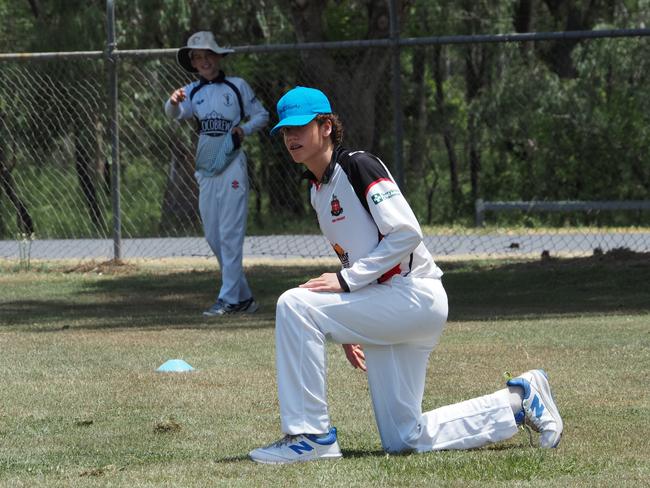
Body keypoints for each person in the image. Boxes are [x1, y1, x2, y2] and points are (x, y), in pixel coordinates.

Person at [248, 86, 563, 464]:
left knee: (294, 304)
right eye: (285, 131)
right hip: (390, 303)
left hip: (414, 296)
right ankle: (521, 399)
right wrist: (348, 319)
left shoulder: (359, 166)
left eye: (300, 126)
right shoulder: (318, 191)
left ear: (327, 126)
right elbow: (359, 253)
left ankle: (310, 436)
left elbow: (406, 232)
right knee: (403, 438)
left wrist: (346, 286)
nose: (291, 137)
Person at [164, 31, 269, 316]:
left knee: (230, 233)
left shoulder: (237, 86)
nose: (204, 61)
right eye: (198, 57)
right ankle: (243, 297)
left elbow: (262, 115)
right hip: (206, 166)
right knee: (213, 235)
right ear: (193, 63)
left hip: (232, 163)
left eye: (208, 55)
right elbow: (174, 113)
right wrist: (173, 102)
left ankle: (229, 299)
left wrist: (243, 130)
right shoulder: (192, 91)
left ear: (218, 57)